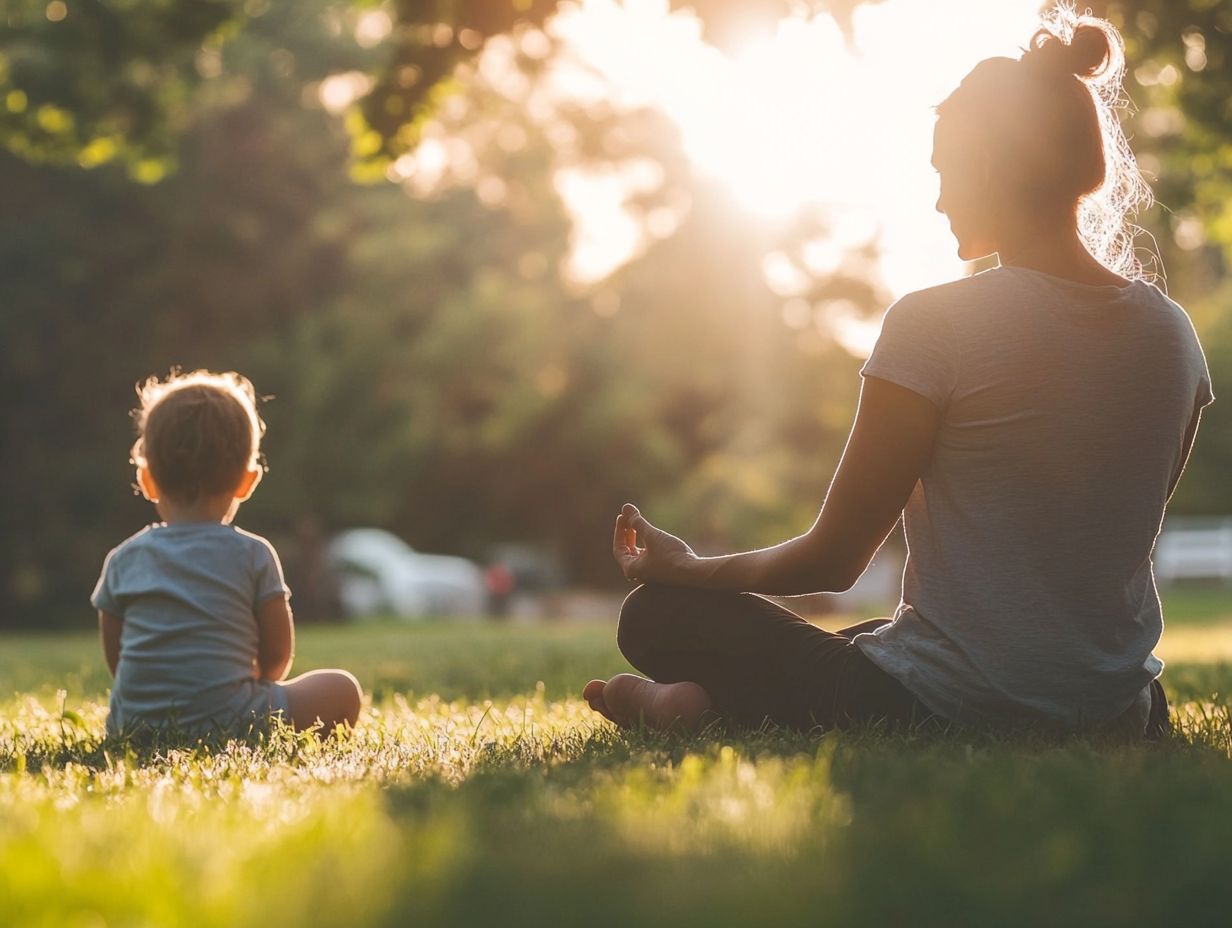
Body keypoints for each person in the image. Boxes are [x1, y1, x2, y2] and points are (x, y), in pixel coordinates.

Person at [583, 10, 1213, 738]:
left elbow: (835, 557)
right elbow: (1098, 540)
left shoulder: (935, 324)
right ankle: (709, 705)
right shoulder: (1174, 337)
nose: (940, 199)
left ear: (983, 164)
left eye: (945, 172)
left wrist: (691, 569)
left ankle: (692, 705)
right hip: (1119, 713)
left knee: (657, 615)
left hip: (944, 709)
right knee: (879, 639)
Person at [92, 370, 363, 739]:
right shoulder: (254, 554)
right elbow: (276, 660)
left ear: (147, 479)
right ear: (247, 481)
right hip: (235, 722)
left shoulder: (124, 559)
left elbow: (118, 661)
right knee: (341, 688)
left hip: (135, 727)